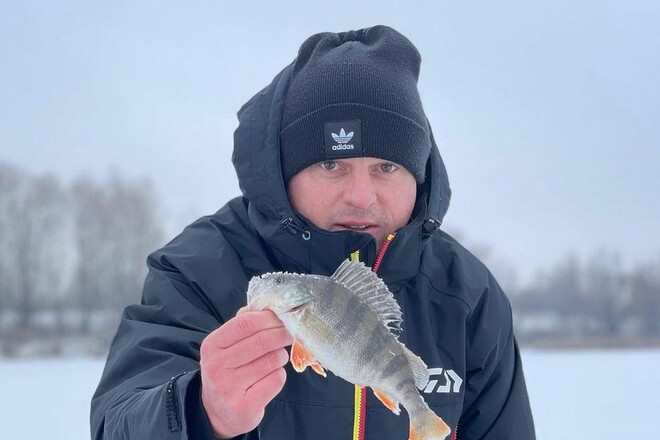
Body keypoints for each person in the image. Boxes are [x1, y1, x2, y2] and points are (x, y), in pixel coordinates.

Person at [91, 25, 535, 440]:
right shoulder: (199, 271)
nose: (361, 197)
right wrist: (201, 411)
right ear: (285, 173)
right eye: (331, 164)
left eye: (386, 167)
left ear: (418, 178)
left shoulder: (466, 297)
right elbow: (118, 422)